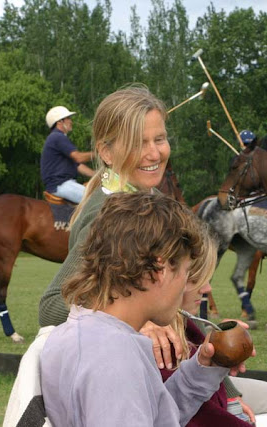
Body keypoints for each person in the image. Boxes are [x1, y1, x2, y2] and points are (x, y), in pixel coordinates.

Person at [40, 192, 235, 426]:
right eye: (186, 272)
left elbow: (152, 415)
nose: (188, 285)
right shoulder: (114, 360)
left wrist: (203, 369)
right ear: (159, 270)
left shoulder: (92, 333)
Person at [39, 85, 186, 370]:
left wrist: (223, 381)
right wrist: (134, 320)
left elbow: (175, 311)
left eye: (160, 139)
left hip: (168, 371)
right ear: (106, 152)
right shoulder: (104, 215)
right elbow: (51, 305)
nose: (154, 154)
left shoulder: (155, 202)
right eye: (139, 143)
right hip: (118, 371)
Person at [162, 231, 267, 427]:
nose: (207, 289)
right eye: (195, 279)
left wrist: (231, 394)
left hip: (203, 395)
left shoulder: (186, 317)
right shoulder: (152, 335)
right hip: (192, 404)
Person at [40, 105, 94, 204]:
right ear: (60, 122)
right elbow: (78, 158)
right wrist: (100, 153)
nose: (71, 121)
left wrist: (97, 176)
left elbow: (78, 166)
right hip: (61, 184)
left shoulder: (57, 138)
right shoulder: (57, 137)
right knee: (96, 202)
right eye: (68, 118)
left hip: (63, 184)